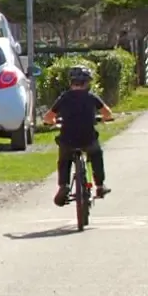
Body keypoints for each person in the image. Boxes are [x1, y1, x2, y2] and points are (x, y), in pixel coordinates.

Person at [44, 64, 114, 207]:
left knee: (64, 160)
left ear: (71, 82)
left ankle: (63, 185)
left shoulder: (64, 98)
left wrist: (53, 122)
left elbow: (48, 117)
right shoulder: (91, 97)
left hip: (68, 140)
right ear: (88, 82)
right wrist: (104, 118)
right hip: (88, 139)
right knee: (96, 154)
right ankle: (100, 186)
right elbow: (108, 113)